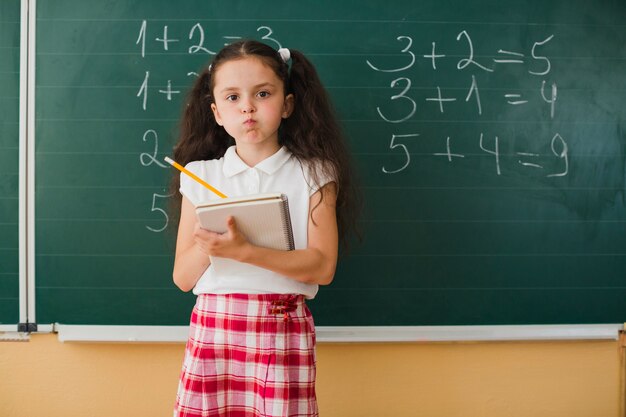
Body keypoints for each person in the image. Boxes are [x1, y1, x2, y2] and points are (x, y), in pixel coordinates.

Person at [169, 39, 360, 417]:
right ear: (216, 113)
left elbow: (322, 267)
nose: (247, 107)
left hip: (281, 327)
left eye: (262, 93)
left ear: (287, 104)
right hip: (215, 327)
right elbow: (182, 278)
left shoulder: (315, 173)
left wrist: (246, 252)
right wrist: (213, 246)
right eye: (232, 98)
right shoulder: (200, 175)